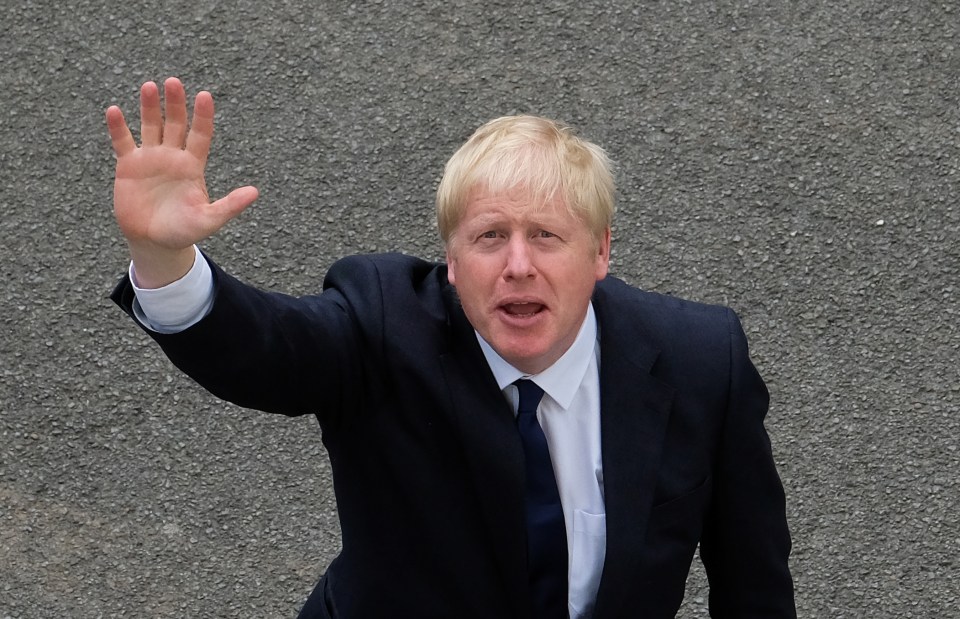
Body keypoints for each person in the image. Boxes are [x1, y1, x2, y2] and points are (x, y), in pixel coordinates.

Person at [106, 77, 796, 618]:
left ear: (602, 250)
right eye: (490, 236)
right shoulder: (383, 325)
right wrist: (165, 260)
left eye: (547, 236)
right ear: (453, 260)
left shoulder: (702, 360)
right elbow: (266, 347)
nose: (518, 265)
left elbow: (753, 585)